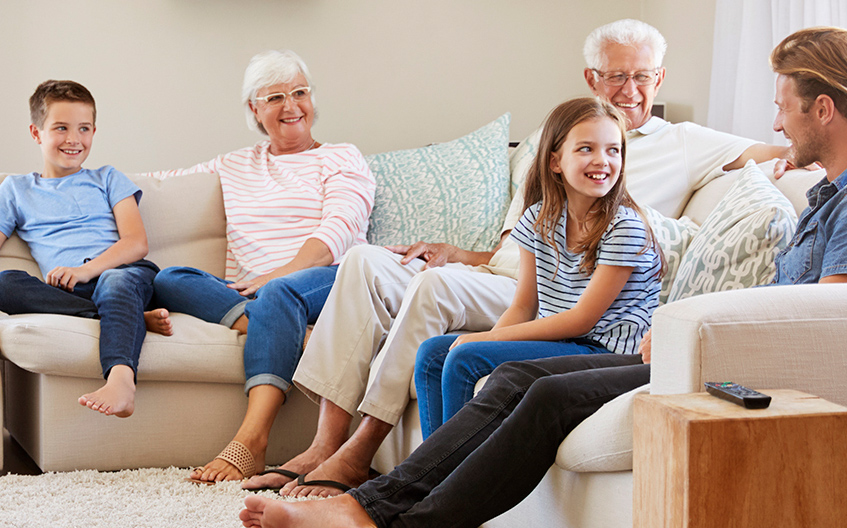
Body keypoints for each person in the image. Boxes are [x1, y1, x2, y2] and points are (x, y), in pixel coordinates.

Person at [238, 26, 847, 528]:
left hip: (745, 373)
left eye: (783, 104)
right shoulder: (834, 192)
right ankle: (367, 506)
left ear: (821, 109)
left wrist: (698, 332)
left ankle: (389, 519)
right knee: (511, 377)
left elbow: (832, 329)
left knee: (535, 395)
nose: (773, 118)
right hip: (722, 354)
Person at [146, 50, 376, 483]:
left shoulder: (342, 157)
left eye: (300, 92)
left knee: (278, 294)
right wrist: (81, 180)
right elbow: (161, 183)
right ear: (254, 108)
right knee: (169, 278)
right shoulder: (235, 164)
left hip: (331, 281)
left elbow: (338, 232)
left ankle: (251, 442)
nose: (291, 106)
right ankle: (285, 328)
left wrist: (276, 275)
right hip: (259, 292)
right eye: (275, 97)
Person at [413, 97, 662, 438]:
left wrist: (488, 339)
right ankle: (431, 473)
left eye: (614, 150)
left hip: (608, 352)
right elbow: (523, 306)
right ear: (555, 161)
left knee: (464, 358)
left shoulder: (625, 227)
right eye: (586, 149)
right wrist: (487, 341)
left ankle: (441, 479)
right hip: (567, 341)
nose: (602, 161)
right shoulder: (537, 219)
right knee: (432, 353)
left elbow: (582, 320)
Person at [0, 80, 171, 419]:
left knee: (114, 283)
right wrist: (76, 278)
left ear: (94, 131)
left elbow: (136, 243)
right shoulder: (16, 189)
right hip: (69, 290)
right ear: (36, 133)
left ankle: (121, 379)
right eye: (61, 128)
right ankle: (128, 318)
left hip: (124, 276)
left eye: (84, 128)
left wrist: (85, 269)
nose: (74, 139)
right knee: (4, 283)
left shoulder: (108, 178)